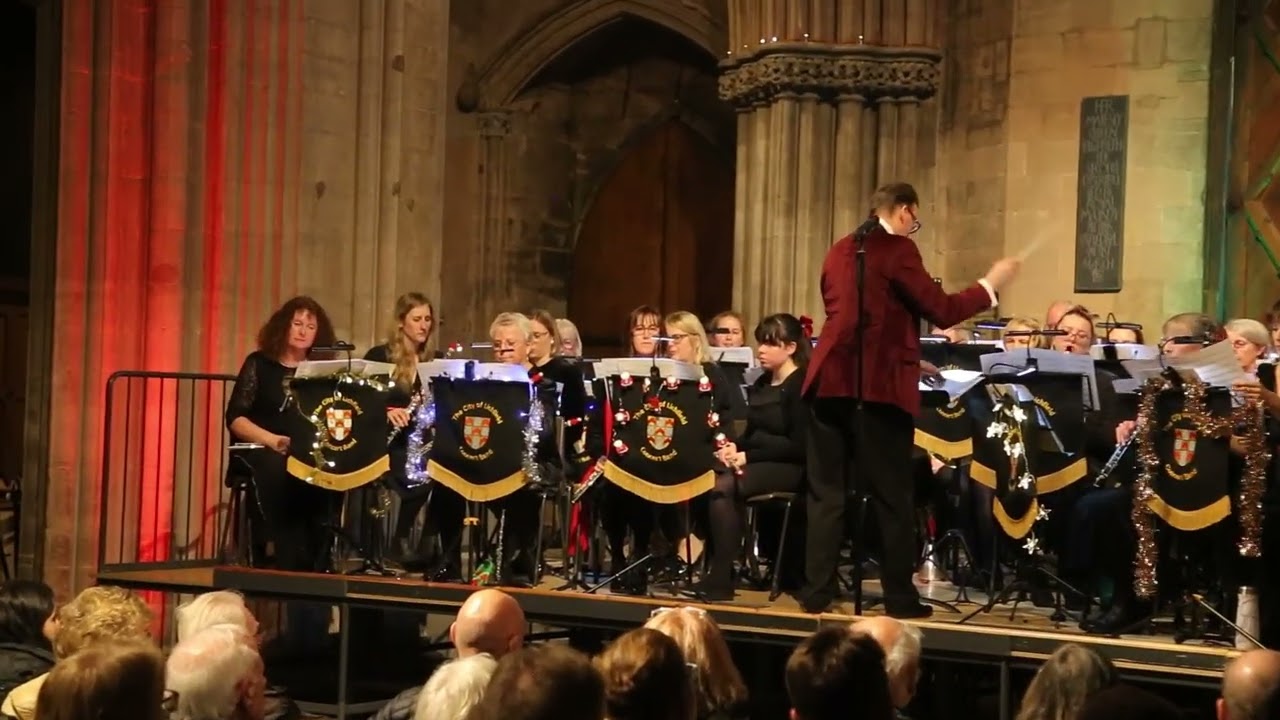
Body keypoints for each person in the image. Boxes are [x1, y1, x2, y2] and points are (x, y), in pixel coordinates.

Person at [800, 182, 1021, 617]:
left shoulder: (839, 249)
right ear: (903, 211)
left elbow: (855, 318)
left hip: (829, 382)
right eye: (914, 220)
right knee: (892, 494)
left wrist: (908, 357)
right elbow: (941, 309)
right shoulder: (897, 249)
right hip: (876, 389)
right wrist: (990, 284)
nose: (912, 228)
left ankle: (817, 591)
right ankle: (900, 597)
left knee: (827, 493)